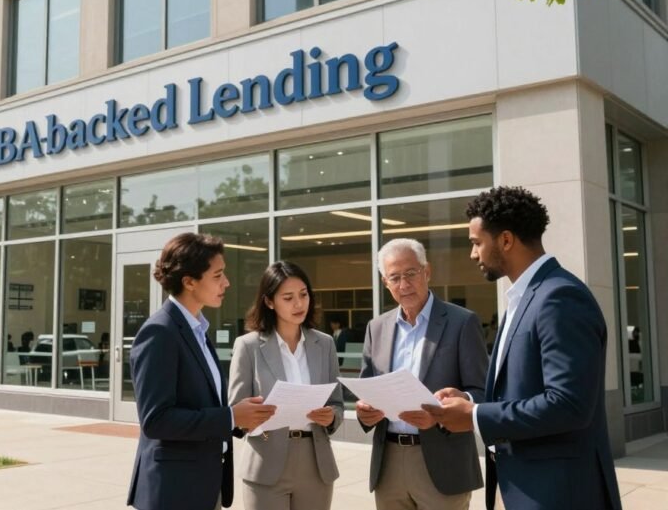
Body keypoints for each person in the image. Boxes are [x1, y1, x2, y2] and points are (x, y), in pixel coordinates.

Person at [423, 186, 622, 510]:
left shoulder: (559, 298)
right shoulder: (524, 297)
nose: (473, 254)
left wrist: (474, 416)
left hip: (559, 493)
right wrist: (469, 400)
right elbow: (516, 391)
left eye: (476, 243)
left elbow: (569, 405)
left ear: (505, 240)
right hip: (522, 486)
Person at [127, 233, 276, 510]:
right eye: (218, 275)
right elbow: (156, 420)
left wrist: (241, 418)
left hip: (205, 485)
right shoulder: (160, 333)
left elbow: (201, 404)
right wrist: (231, 416)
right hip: (174, 490)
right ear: (189, 281)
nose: (226, 283)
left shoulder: (198, 330)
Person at [356, 238, 487, 509]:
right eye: (395, 277)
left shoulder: (462, 322)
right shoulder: (376, 328)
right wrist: (364, 411)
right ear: (385, 282)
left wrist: (442, 415)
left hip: (443, 463)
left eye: (411, 274)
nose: (404, 285)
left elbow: (483, 393)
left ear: (426, 272)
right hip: (388, 463)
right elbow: (366, 388)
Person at [228, 261, 344, 510]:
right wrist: (252, 416)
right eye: (288, 298)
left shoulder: (324, 345)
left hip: (316, 463)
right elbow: (236, 410)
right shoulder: (247, 346)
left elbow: (336, 403)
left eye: (303, 295)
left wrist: (330, 416)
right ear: (270, 302)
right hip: (266, 461)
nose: (299, 304)